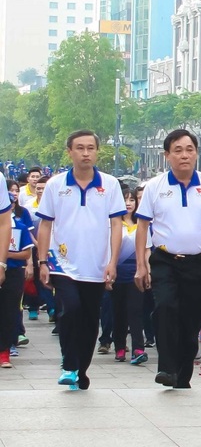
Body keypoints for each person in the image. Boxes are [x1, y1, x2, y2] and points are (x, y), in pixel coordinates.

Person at [135, 129, 201, 389]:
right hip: (165, 260)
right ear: (167, 155)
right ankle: (166, 367)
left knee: (191, 320)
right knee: (165, 308)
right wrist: (141, 265)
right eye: (177, 150)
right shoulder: (155, 186)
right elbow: (142, 226)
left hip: (198, 263)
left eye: (189, 149)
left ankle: (182, 375)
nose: (184, 155)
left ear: (196, 153)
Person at [35, 131, 124, 390]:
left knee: (88, 319)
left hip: (96, 265)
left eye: (91, 148)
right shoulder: (55, 185)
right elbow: (45, 225)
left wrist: (112, 261)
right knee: (70, 309)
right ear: (69, 152)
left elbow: (116, 224)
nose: (86, 153)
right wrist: (42, 262)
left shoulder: (110, 184)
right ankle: (69, 364)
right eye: (80, 148)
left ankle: (81, 368)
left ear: (97, 152)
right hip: (62, 263)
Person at [112, 187, 148, 365]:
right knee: (118, 313)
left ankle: (138, 348)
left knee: (136, 312)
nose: (128, 203)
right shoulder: (113, 223)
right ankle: (119, 346)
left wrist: (146, 270)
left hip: (136, 272)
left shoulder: (142, 223)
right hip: (117, 273)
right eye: (125, 200)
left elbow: (147, 249)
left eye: (132, 200)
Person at [1, 187, 32, 368]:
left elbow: (26, 253)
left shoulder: (18, 227)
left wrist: (5, 256)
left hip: (12, 273)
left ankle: (5, 351)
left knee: (9, 311)